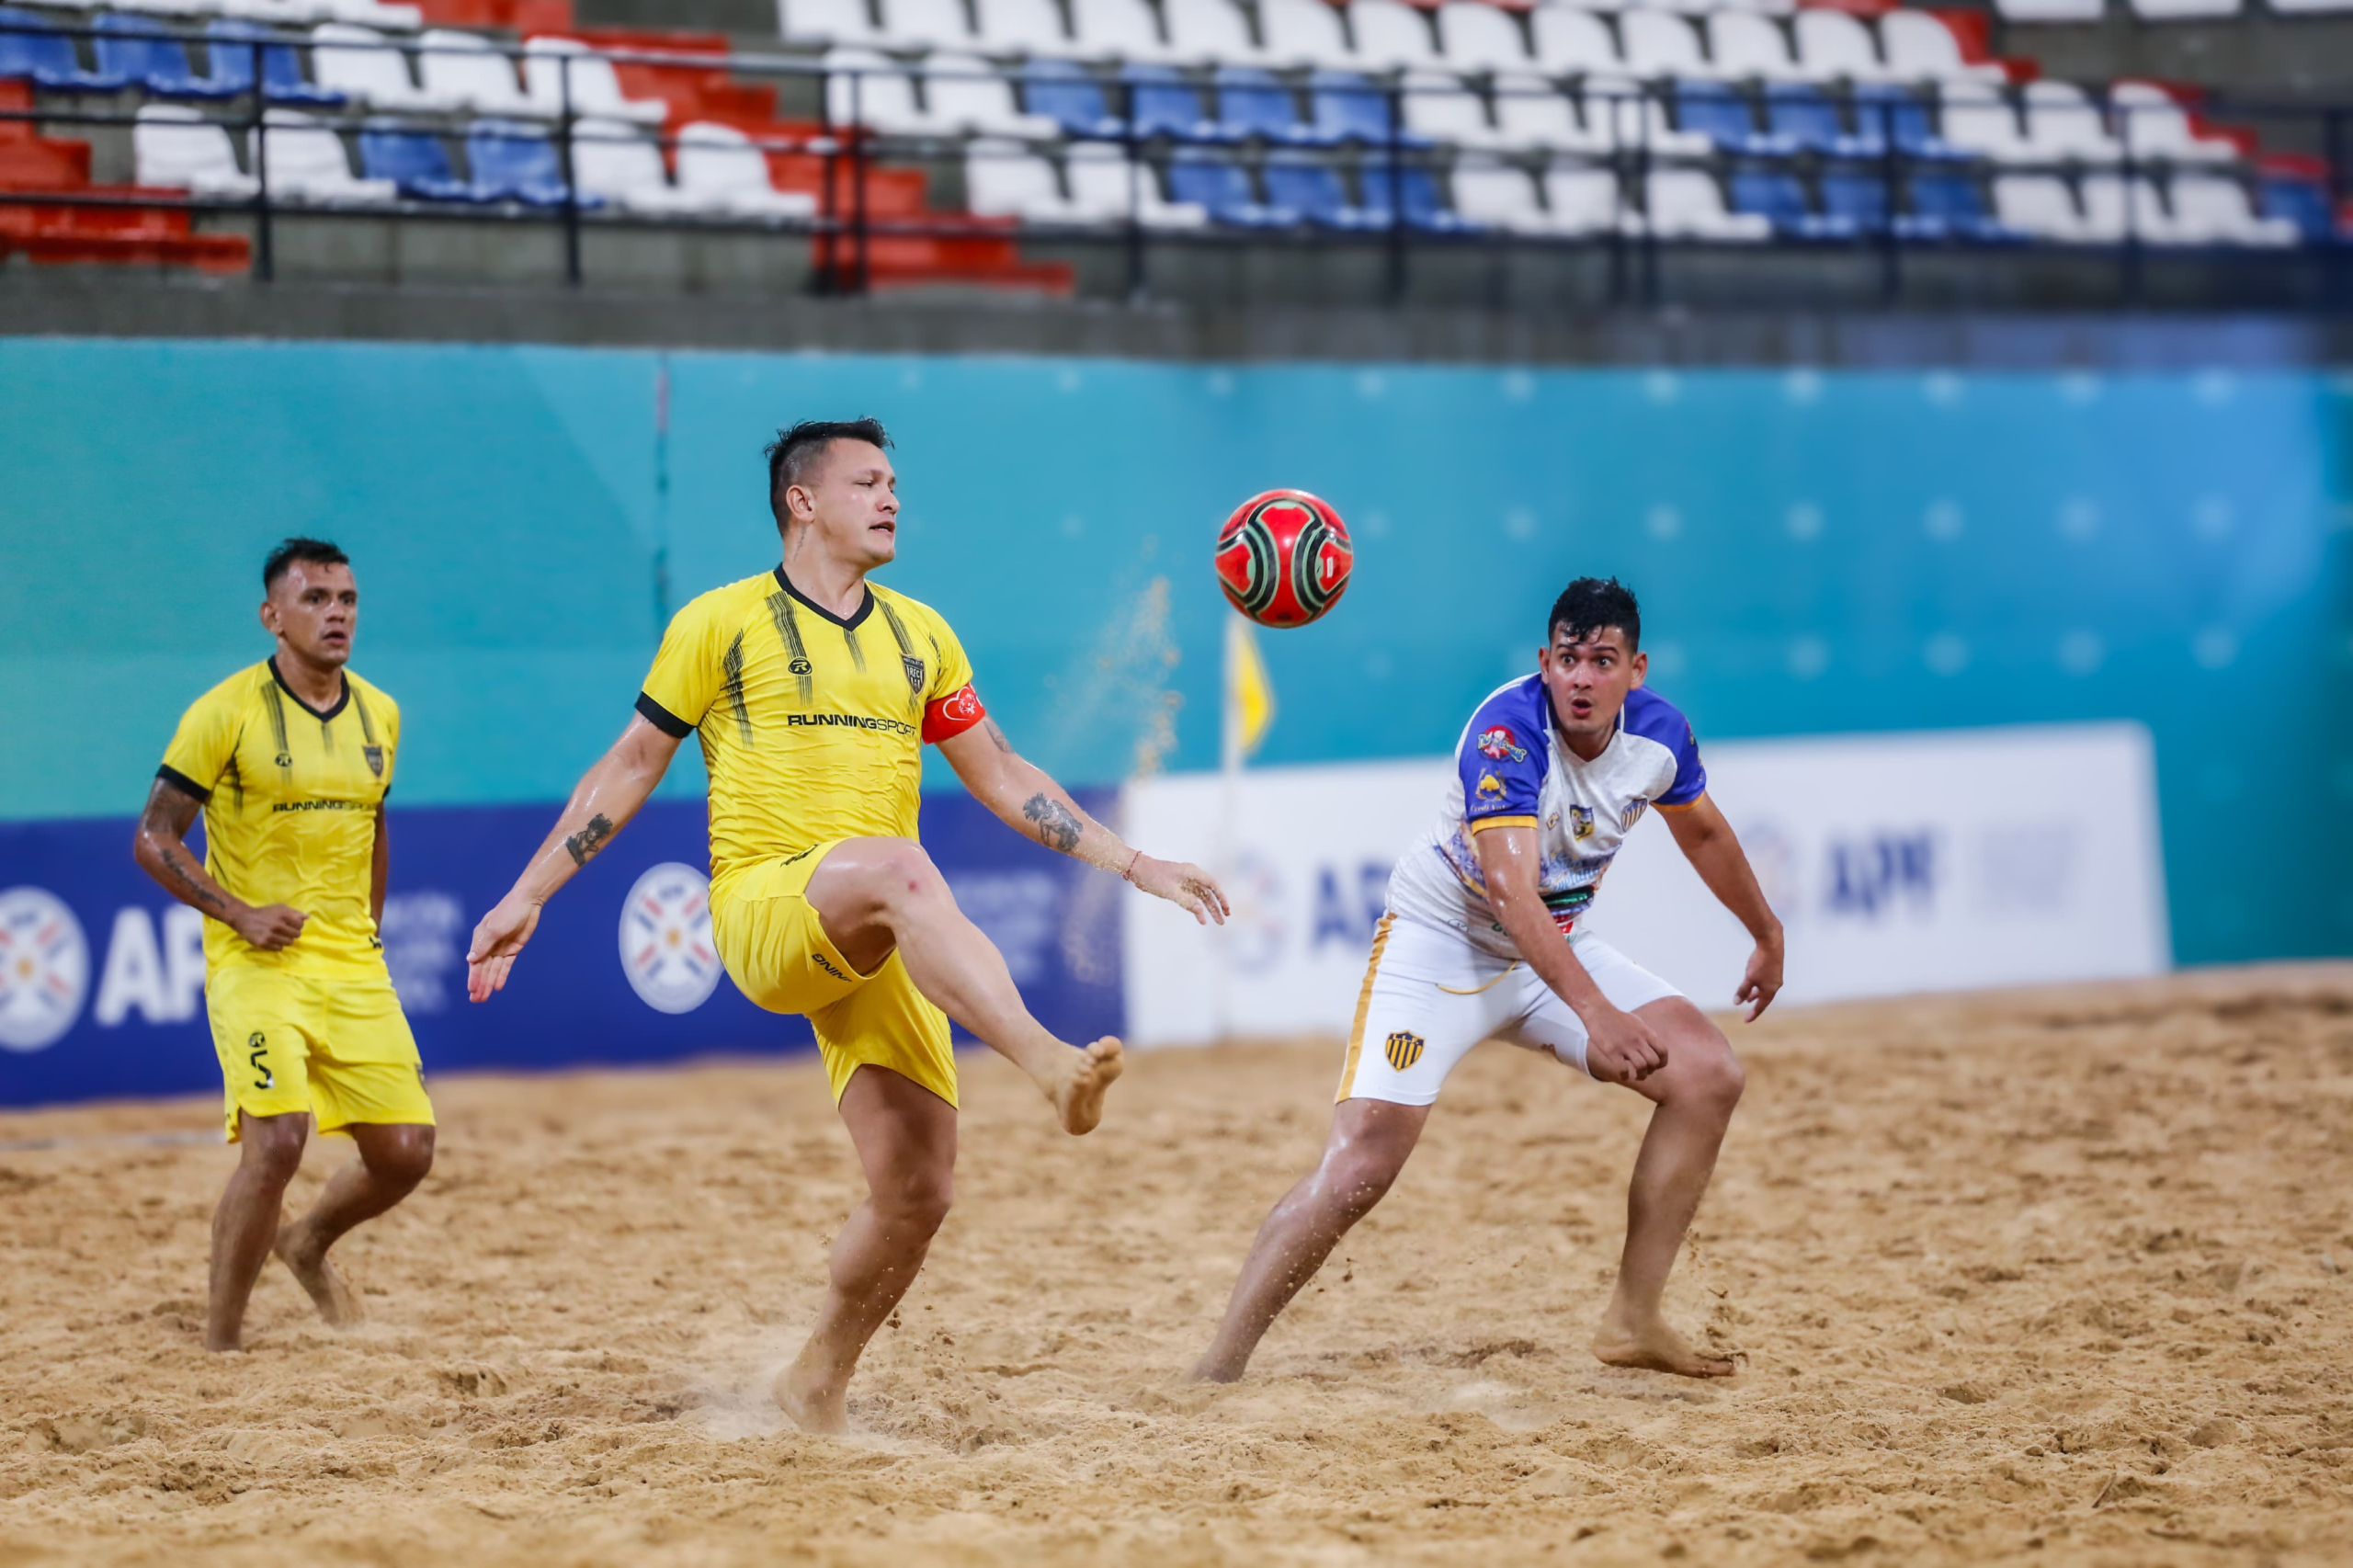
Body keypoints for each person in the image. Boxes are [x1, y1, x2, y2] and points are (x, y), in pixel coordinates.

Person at [463, 417, 1228, 1433]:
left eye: (894, 483)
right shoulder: (719, 622)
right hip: (766, 909)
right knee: (903, 867)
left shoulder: (922, 634)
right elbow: (633, 763)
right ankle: (1047, 1063)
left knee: (918, 1191)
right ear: (803, 501)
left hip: (880, 921)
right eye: (867, 482)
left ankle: (812, 1382)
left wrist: (1137, 863)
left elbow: (1004, 774)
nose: (891, 498)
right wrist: (529, 890)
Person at [1192, 576, 1782, 1384]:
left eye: (1602, 661)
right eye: (1568, 658)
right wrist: (1596, 1012)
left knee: (1709, 1076)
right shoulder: (1507, 731)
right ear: (1544, 661)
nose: (1581, 677)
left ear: (1635, 671)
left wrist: (1766, 932)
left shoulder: (1660, 735)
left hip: (1551, 950)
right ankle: (1216, 1370)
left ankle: (1633, 1319)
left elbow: (1704, 833)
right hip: (1439, 947)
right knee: (1361, 1165)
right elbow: (1510, 891)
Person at [131, 538, 436, 1354]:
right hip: (257, 961)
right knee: (277, 1142)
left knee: (406, 1153)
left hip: (350, 960)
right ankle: (221, 1346)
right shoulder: (224, 711)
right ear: (273, 616)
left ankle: (305, 1244)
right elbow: (155, 837)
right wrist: (237, 914)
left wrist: (369, 928)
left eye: (347, 599)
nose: (337, 614)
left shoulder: (380, 713)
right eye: (315, 599)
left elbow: (373, 823)